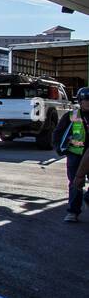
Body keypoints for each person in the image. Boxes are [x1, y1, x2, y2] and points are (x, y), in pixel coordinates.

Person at [54, 86, 89, 222]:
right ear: (80, 101)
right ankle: (73, 212)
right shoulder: (73, 115)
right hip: (75, 154)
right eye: (87, 99)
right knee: (75, 184)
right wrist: (59, 148)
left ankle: (87, 198)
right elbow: (57, 133)